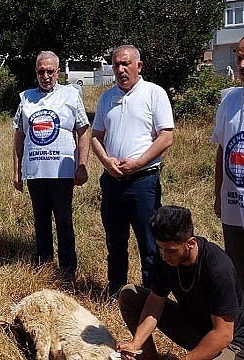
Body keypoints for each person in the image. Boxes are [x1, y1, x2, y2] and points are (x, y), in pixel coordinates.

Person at [117, 205, 244, 360]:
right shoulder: (165, 254)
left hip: (230, 343)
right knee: (129, 294)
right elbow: (155, 302)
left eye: (171, 250)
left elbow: (223, 334)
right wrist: (136, 343)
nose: (164, 256)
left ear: (191, 243)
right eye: (160, 248)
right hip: (195, 328)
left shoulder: (217, 267)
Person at [91, 44, 174, 296]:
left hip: (143, 182)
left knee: (149, 244)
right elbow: (96, 135)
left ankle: (151, 297)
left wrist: (138, 163)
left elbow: (166, 137)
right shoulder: (107, 97)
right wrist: (106, 161)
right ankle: (117, 292)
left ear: (139, 66)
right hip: (113, 181)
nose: (120, 69)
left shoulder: (154, 93)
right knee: (115, 242)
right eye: (116, 64)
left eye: (125, 64)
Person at [12, 50, 90, 281]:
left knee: (64, 220)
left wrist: (82, 164)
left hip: (62, 172)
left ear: (58, 72)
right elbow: (19, 136)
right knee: (40, 220)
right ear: (35, 72)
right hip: (36, 172)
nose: (45, 76)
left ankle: (67, 269)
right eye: (41, 71)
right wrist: (17, 170)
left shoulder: (71, 95)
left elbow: (84, 132)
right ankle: (43, 265)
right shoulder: (25, 98)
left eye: (50, 71)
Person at [212, 33, 244, 322]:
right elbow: (222, 149)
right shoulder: (230, 100)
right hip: (234, 205)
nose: (243, 64)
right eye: (239, 58)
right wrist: (218, 192)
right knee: (238, 273)